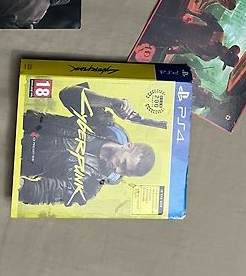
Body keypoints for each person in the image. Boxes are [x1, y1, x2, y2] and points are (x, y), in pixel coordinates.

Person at [19, 83, 156, 207]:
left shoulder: (91, 185)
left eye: (124, 172)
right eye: (123, 164)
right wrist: (112, 102)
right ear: (128, 146)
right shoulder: (103, 123)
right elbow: (68, 95)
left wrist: (22, 186)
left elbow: (45, 192)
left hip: (17, 160)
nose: (118, 170)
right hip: (21, 124)